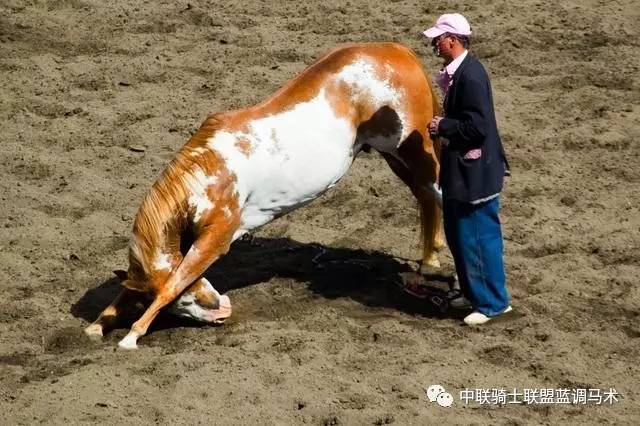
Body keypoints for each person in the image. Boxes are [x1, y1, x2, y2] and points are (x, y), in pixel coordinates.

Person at [423, 13, 512, 325]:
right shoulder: (461, 72)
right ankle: (474, 294)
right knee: (460, 234)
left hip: (475, 173)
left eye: (438, 39)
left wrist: (443, 125)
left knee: (477, 235)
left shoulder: (471, 76)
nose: (434, 44)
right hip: (463, 170)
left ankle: (493, 304)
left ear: (453, 39)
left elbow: (478, 127)